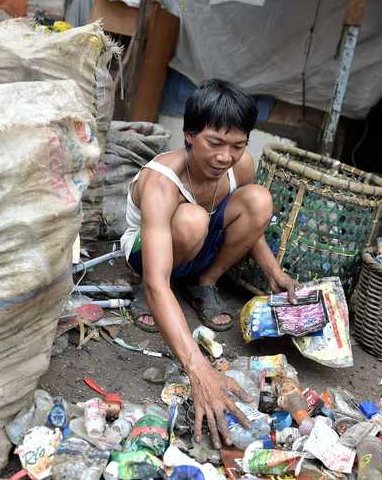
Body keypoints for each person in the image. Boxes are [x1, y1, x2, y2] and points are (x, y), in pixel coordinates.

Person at [119, 79, 297, 448]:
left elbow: (252, 224)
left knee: (259, 200)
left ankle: (205, 283)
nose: (224, 157)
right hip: (151, 253)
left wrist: (274, 273)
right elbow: (156, 280)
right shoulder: (161, 181)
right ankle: (152, 293)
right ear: (188, 135)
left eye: (237, 145)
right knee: (191, 220)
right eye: (214, 143)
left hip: (200, 245)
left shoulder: (239, 165)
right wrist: (199, 369)